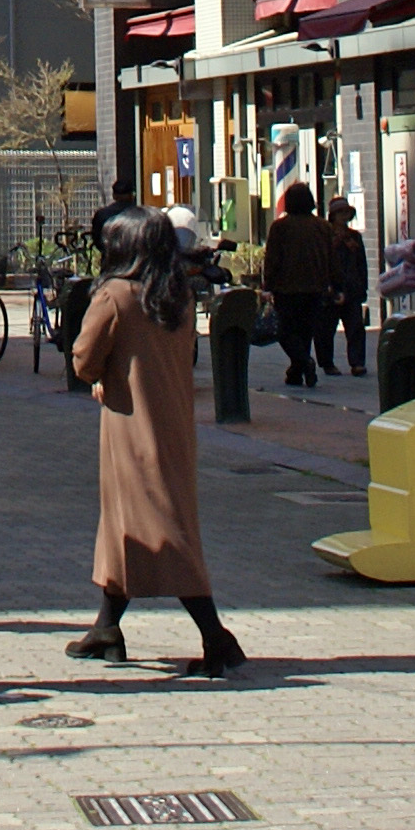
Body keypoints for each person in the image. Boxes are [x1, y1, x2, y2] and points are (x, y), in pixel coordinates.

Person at [67, 207, 244, 676]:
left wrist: (102, 375)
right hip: (173, 423)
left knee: (158, 526)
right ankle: (107, 627)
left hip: (129, 426)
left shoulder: (115, 296)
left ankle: (215, 636)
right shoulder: (178, 297)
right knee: (131, 523)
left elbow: (83, 359)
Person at [258, 182, 338, 389]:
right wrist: (333, 283)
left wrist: (268, 282)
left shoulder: (280, 227)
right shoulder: (323, 227)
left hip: (287, 286)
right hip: (316, 286)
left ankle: (303, 363)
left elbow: (273, 257)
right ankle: (297, 370)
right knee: (305, 330)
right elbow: (332, 257)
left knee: (284, 330)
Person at [328, 195, 373, 378]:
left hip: (352, 287)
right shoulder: (327, 237)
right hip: (332, 288)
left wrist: (363, 287)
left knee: (355, 327)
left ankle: (357, 362)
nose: (343, 216)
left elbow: (362, 264)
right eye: (340, 213)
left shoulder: (354, 238)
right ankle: (328, 362)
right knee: (327, 327)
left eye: (346, 212)